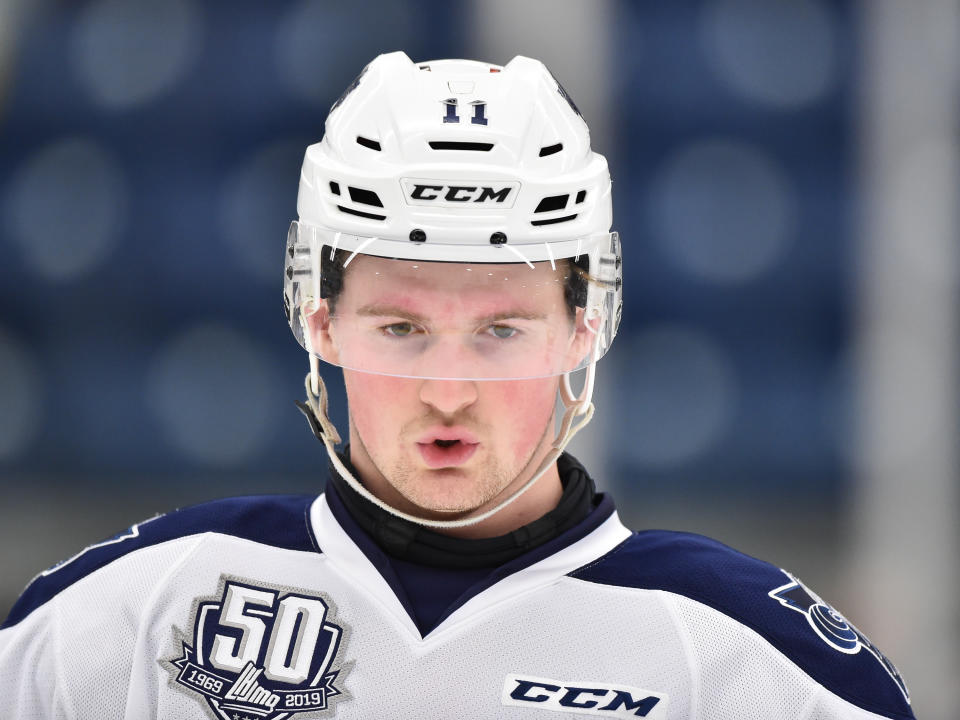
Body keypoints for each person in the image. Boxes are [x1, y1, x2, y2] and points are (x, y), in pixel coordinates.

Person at [0, 52, 912, 720]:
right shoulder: (137, 607)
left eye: (500, 331)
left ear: (584, 326)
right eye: (400, 328)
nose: (448, 390)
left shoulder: (747, 662)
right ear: (317, 320)